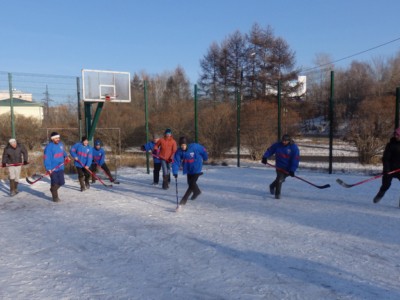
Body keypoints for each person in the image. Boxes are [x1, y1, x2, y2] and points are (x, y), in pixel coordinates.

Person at [261, 134, 300, 199]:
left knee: (281, 179)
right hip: (279, 166)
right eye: (283, 140)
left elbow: (295, 160)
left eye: (285, 141)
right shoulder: (277, 145)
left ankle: (272, 186)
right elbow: (270, 150)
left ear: (289, 141)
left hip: (288, 168)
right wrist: (265, 157)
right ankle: (277, 195)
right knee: (280, 179)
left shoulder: (294, 148)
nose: (284, 142)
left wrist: (292, 170)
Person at [172, 136, 208, 206]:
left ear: (187, 144)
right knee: (190, 183)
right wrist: (175, 172)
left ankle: (184, 199)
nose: (183, 147)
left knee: (192, 183)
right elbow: (176, 162)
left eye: (184, 145)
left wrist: (205, 157)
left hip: (197, 167)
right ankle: (196, 192)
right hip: (188, 168)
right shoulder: (179, 151)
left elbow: (203, 150)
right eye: (181, 145)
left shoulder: (195, 147)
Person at [373, 128, 400, 203]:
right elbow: (386, 158)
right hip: (390, 169)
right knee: (386, 185)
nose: (396, 136)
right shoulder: (390, 145)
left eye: (398, 135)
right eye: (395, 134)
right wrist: (386, 170)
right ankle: (380, 194)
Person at [44, 132, 70, 202]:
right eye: (56, 138)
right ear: (52, 139)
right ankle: (55, 197)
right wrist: (48, 168)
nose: (57, 139)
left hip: (60, 167)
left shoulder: (60, 144)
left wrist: (66, 156)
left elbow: (63, 152)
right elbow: (47, 158)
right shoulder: (49, 147)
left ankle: (53, 189)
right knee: (55, 182)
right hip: (53, 169)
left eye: (58, 138)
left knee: (62, 182)